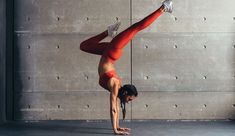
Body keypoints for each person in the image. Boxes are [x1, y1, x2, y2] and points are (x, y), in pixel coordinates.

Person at [80, 0, 173, 135]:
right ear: (125, 93)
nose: (128, 102)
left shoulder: (116, 88)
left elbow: (115, 108)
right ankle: (164, 7)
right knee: (136, 28)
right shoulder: (114, 84)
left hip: (108, 52)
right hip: (112, 51)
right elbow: (113, 109)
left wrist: (117, 128)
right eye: (130, 99)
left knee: (84, 46)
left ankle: (108, 31)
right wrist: (115, 130)